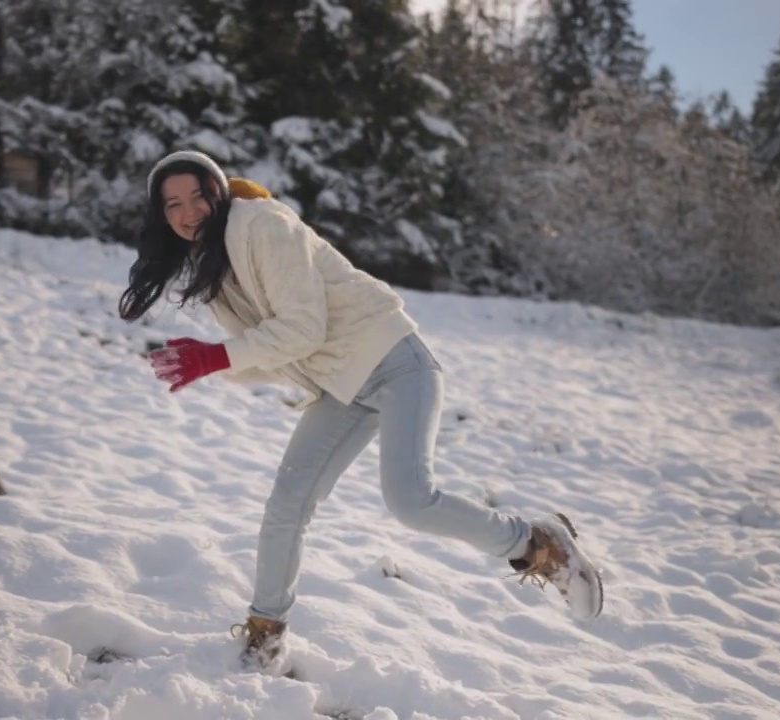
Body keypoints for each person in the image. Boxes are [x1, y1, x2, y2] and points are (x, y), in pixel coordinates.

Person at [118, 150, 604, 667]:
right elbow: (274, 351)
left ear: (218, 192)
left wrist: (216, 355)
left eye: (198, 195)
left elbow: (303, 328)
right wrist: (211, 363)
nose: (189, 211)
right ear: (162, 216)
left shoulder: (260, 225)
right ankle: (266, 632)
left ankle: (536, 543)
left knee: (411, 500)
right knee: (287, 505)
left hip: (396, 364)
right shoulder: (213, 265)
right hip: (341, 387)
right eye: (173, 204)